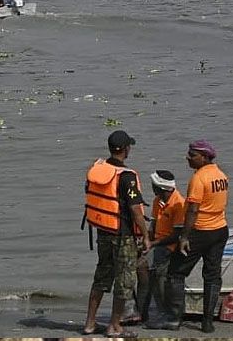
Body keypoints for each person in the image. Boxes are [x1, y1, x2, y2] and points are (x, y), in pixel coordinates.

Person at [82, 130, 150, 338]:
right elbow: (135, 210)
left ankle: (90, 324)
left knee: (101, 277)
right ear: (126, 149)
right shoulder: (126, 177)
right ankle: (115, 326)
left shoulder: (98, 170)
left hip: (103, 232)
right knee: (125, 281)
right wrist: (146, 235)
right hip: (123, 236)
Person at [155, 140, 228, 333]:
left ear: (204, 157)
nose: (188, 157)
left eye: (192, 154)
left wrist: (184, 237)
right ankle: (207, 322)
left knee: (175, 273)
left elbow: (193, 210)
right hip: (220, 230)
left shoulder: (198, 179)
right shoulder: (221, 175)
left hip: (200, 231)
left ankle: (173, 319)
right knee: (212, 276)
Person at [140, 169, 185, 326]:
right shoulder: (157, 201)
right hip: (158, 244)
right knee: (142, 267)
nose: (152, 188)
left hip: (170, 247)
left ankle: (165, 314)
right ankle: (144, 312)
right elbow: (154, 225)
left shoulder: (178, 203)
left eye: (154, 186)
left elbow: (177, 235)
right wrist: (146, 240)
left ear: (160, 187)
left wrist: (153, 244)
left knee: (158, 277)